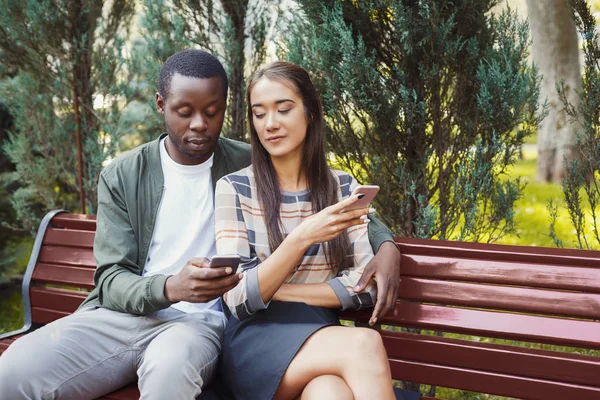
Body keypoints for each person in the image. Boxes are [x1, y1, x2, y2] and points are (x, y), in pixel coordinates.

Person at [0, 50, 400, 399]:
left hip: (202, 324)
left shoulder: (253, 159)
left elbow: (340, 201)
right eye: (184, 112)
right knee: (11, 373)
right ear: (161, 105)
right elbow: (110, 279)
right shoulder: (124, 175)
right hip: (125, 316)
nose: (199, 125)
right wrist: (169, 287)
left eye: (212, 112)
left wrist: (386, 247)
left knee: (173, 375)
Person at [214, 61, 398, 400]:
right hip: (254, 341)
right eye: (259, 114)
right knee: (364, 343)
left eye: (284, 109)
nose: (270, 124)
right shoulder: (234, 188)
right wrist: (303, 236)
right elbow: (238, 299)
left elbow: (365, 287)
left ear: (310, 112)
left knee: (330, 392)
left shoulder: (342, 187)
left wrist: (275, 288)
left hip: (320, 332)